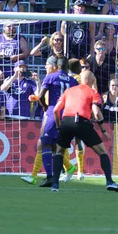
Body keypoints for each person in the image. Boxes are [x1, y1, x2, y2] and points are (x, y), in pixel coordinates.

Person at [49, 70, 118, 192]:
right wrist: (103, 130)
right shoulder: (93, 92)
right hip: (82, 122)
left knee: (59, 152)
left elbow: (56, 110)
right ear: (93, 81)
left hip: (66, 122)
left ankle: (55, 185)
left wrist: (59, 127)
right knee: (102, 152)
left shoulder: (68, 91)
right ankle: (109, 182)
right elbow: (96, 112)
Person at [32, 56, 79, 188]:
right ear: (67, 67)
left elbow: (40, 96)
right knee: (58, 148)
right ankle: (58, 176)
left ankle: (50, 177)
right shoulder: (73, 81)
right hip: (68, 116)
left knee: (45, 145)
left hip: (53, 114)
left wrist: (46, 107)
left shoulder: (51, 77)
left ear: (57, 66)